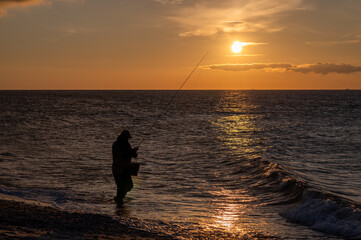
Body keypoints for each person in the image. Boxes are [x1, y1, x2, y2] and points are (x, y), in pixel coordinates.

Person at [112, 129, 138, 204]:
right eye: (126, 138)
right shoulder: (115, 145)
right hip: (118, 170)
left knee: (129, 186)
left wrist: (134, 153)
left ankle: (119, 200)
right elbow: (121, 155)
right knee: (120, 187)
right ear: (121, 137)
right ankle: (119, 203)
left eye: (128, 138)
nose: (127, 139)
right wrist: (131, 152)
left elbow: (132, 155)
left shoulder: (127, 145)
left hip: (126, 169)